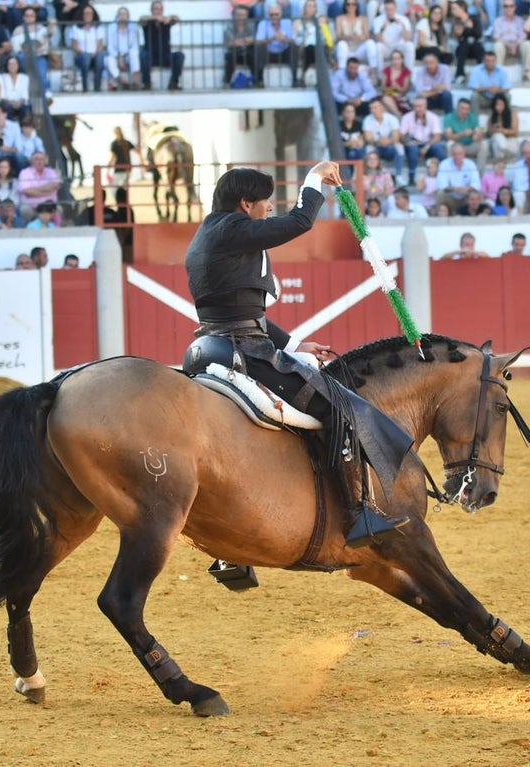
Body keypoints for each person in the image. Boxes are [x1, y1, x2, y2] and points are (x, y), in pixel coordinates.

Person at [184, 160, 413, 551]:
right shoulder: (234, 229)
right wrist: (313, 179)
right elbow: (300, 222)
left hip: (206, 349)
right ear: (245, 204)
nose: (268, 208)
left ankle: (230, 548)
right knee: (340, 409)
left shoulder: (211, 233)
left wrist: (292, 346)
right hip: (244, 352)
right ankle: (359, 514)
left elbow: (241, 310)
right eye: (264, 202)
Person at [399, 96, 447, 184]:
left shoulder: (433, 117)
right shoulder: (407, 117)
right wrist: (408, 142)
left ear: (425, 106)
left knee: (439, 147)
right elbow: (401, 135)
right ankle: (411, 176)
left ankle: (445, 175)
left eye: (420, 106)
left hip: (429, 144)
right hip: (413, 144)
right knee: (412, 148)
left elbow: (437, 136)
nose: (418, 109)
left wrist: (427, 146)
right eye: (415, 106)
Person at [361, 97, 404, 178]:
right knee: (367, 149)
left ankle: (399, 174)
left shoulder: (392, 118)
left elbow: (396, 137)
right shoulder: (367, 120)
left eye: (375, 107)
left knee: (400, 148)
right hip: (375, 146)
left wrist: (388, 141)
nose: (373, 110)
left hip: (390, 145)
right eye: (371, 108)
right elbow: (368, 138)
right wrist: (378, 141)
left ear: (382, 107)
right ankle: (369, 175)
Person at [334, 0, 378, 70]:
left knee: (371, 43)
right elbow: (338, 36)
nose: (351, 6)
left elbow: (367, 35)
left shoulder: (363, 19)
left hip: (359, 49)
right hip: (347, 50)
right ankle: (341, 71)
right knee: (341, 44)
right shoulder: (340, 19)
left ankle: (374, 69)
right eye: (348, 4)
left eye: (353, 4)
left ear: (356, 6)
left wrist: (360, 37)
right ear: (345, 6)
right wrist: (349, 37)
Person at [492, 0, 530, 80]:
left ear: (515, 7)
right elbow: (496, 36)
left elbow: (523, 36)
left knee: (528, 44)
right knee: (497, 45)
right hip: (504, 45)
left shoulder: (520, 20)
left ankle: (526, 72)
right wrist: (509, 45)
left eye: (511, 6)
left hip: (518, 45)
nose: (509, 8)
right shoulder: (498, 21)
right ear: (503, 8)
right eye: (506, 6)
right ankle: (499, 73)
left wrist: (515, 44)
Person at [70, 5, 106, 93]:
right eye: (86, 13)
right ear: (82, 14)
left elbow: (101, 44)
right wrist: (85, 53)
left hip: (95, 55)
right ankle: (85, 87)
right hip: (81, 56)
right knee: (86, 57)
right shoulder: (76, 28)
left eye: (90, 13)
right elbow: (75, 46)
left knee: (100, 57)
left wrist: (95, 53)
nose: (88, 15)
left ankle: (97, 87)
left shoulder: (98, 28)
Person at [449, 0, 485, 84]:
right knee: (464, 46)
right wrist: (469, 29)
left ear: (462, 8)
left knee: (477, 47)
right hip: (462, 48)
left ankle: (482, 75)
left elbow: (478, 34)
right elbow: (457, 36)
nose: (452, 11)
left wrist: (466, 30)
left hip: (474, 47)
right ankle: (460, 75)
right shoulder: (455, 21)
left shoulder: (474, 17)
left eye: (454, 9)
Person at [373, 0, 415, 71]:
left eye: (391, 9)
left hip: (399, 47)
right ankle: (380, 76)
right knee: (378, 46)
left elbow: (407, 39)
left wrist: (403, 26)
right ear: (384, 9)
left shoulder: (404, 19)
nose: (389, 12)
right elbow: (378, 40)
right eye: (387, 10)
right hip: (386, 48)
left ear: (396, 8)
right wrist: (383, 28)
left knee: (410, 45)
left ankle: (409, 75)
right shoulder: (378, 20)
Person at [442, 97, 484, 163]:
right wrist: (462, 134)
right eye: (462, 108)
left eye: (467, 109)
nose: (464, 111)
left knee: (484, 144)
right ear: (457, 108)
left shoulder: (473, 117)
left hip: (469, 145)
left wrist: (478, 136)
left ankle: (479, 172)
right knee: (449, 144)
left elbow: (479, 133)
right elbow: (449, 137)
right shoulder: (448, 117)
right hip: (456, 145)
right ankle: (451, 170)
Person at [379, 50, 412, 117]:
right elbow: (382, 87)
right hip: (388, 93)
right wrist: (391, 89)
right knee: (383, 104)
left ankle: (398, 117)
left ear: (402, 59)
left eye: (397, 59)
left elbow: (405, 90)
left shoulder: (406, 71)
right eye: (393, 59)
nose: (395, 61)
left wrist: (397, 88)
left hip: (400, 96)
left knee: (385, 101)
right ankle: (399, 116)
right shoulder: (387, 70)